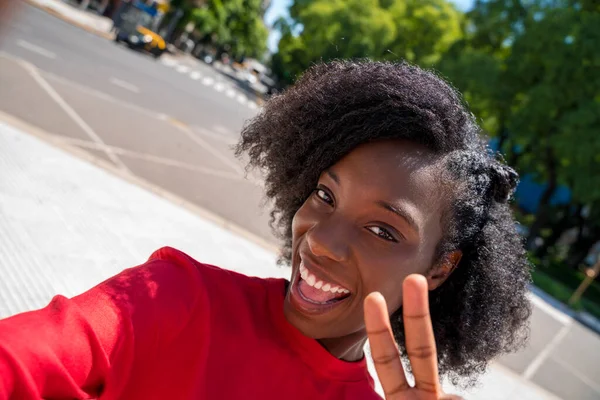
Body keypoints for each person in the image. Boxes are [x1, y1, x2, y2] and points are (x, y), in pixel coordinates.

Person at [0, 61, 531, 399]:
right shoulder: (179, 301)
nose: (321, 239)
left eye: (383, 231)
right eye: (325, 195)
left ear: (440, 267)